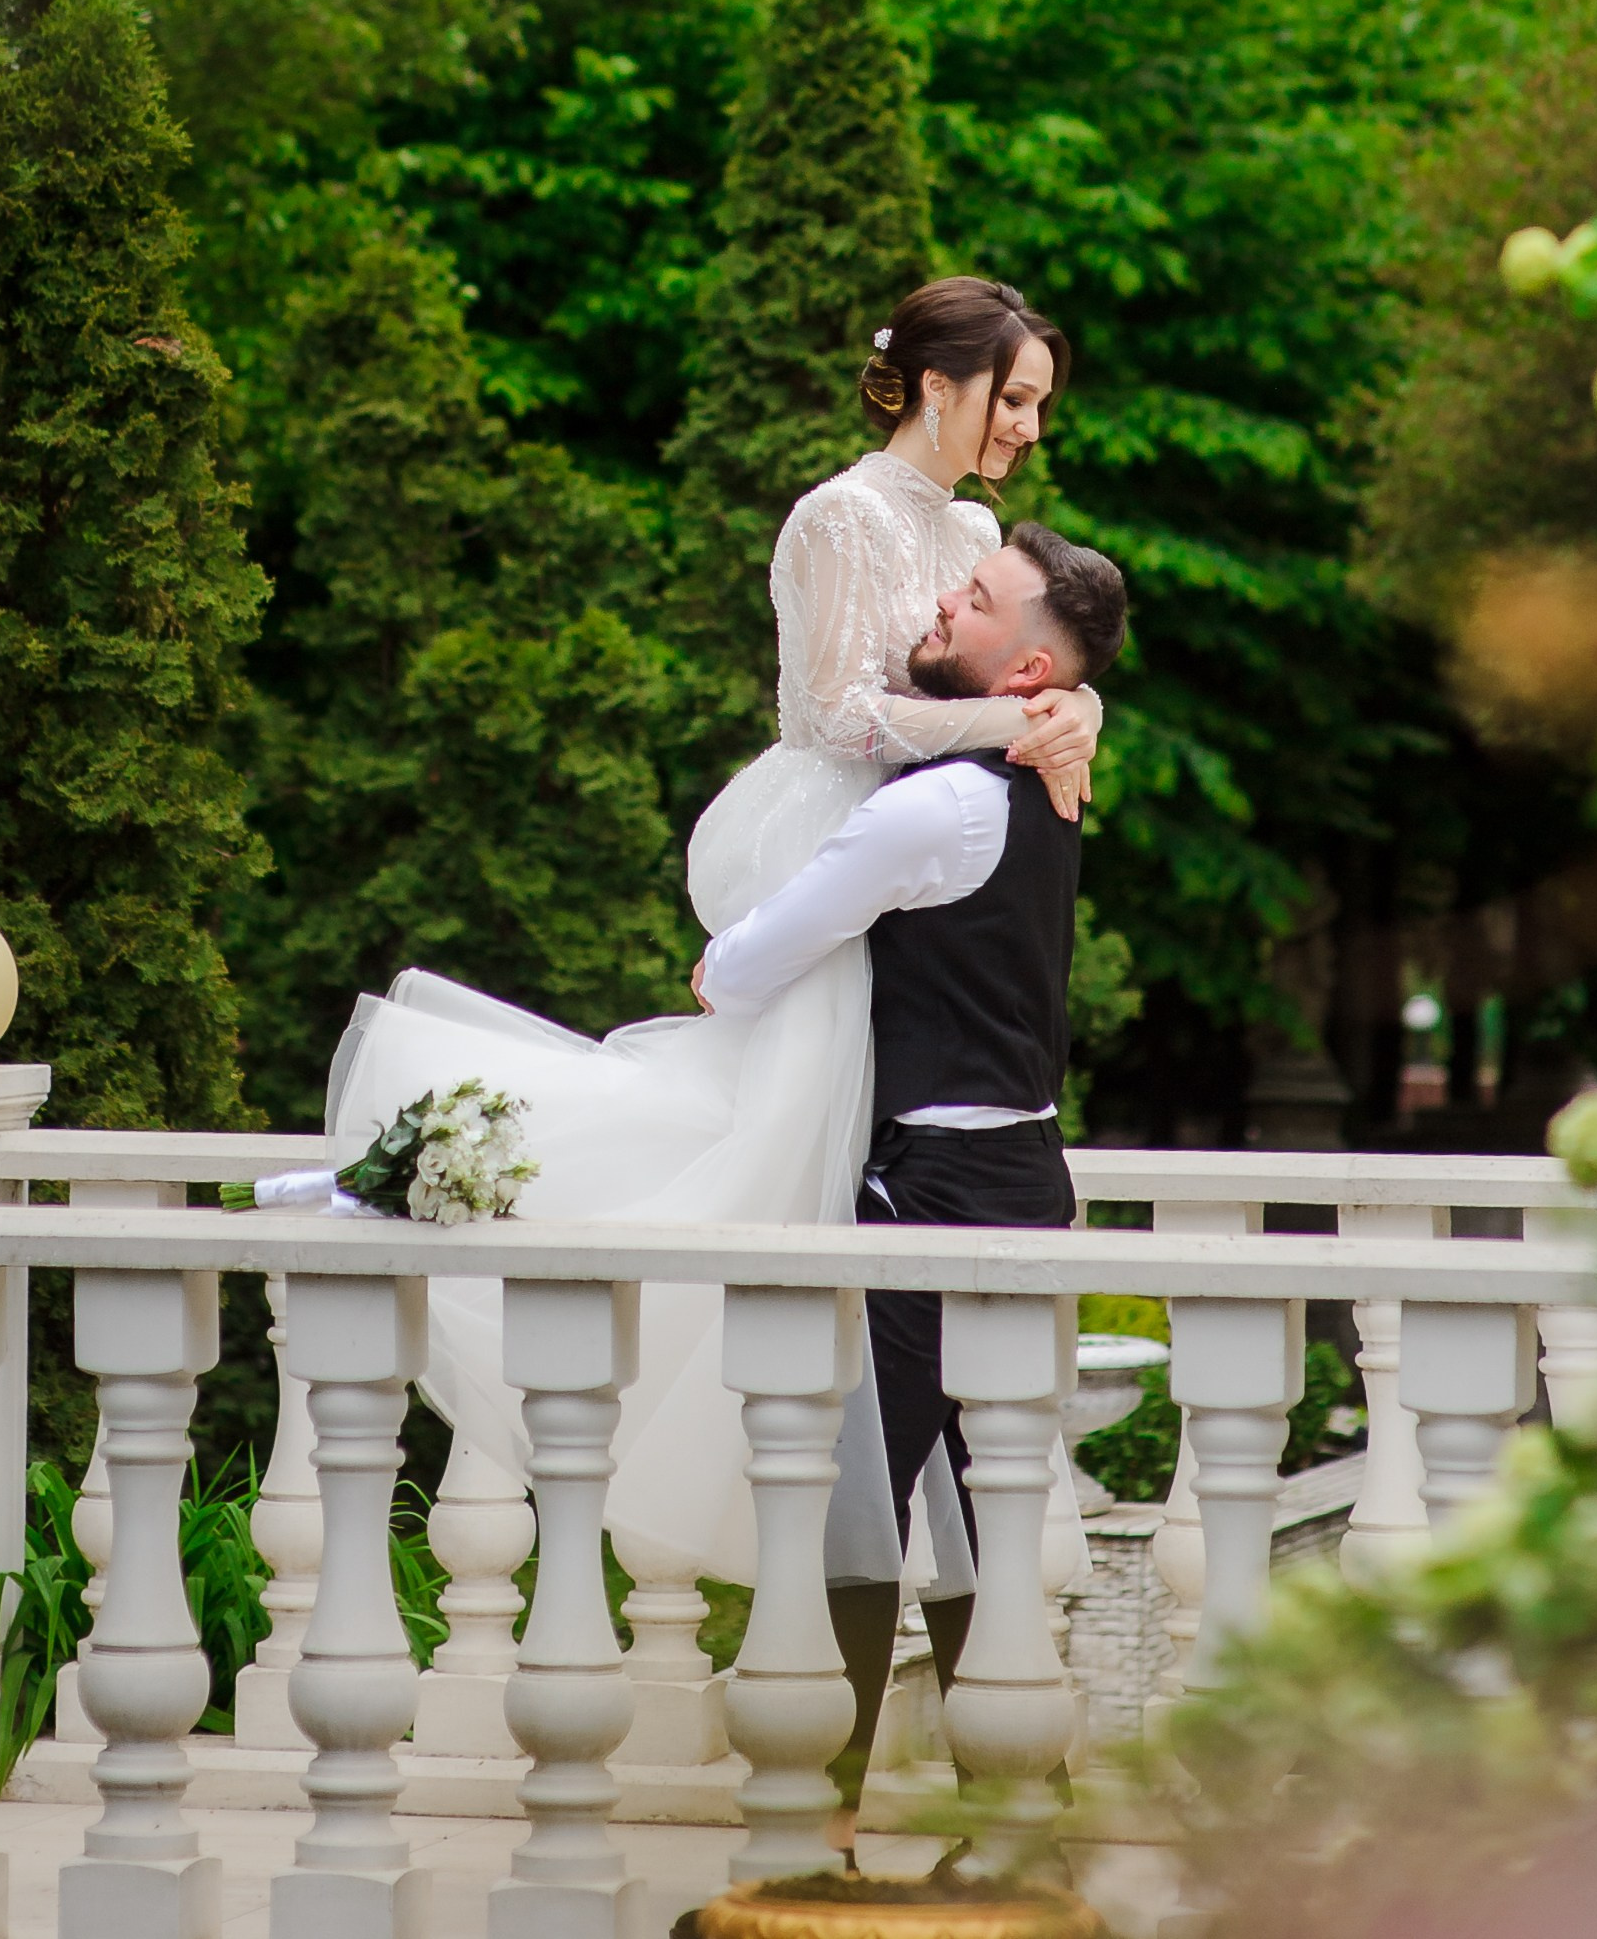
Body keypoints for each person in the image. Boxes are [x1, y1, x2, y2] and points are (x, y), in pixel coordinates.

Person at [318, 275, 1105, 1586]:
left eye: (1035, 405)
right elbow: (836, 718)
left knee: (858, 1179)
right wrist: (1020, 725)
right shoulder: (836, 519)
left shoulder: (974, 527)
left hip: (922, 866)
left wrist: (1070, 710)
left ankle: (894, 1567)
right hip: (839, 836)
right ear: (936, 385)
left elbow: (1028, 656)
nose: (1027, 427)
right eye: (1013, 398)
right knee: (775, 1155)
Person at [695, 521, 1130, 1825]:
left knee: (858, 1501)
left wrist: (716, 972)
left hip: (934, 1187)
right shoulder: (1033, 787)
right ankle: (1023, 1819)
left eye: (977, 600)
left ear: (1026, 670)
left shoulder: (937, 803)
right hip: (1019, 1178)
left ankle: (809, 1827)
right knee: (963, 1515)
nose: (943, 606)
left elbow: (747, 963)